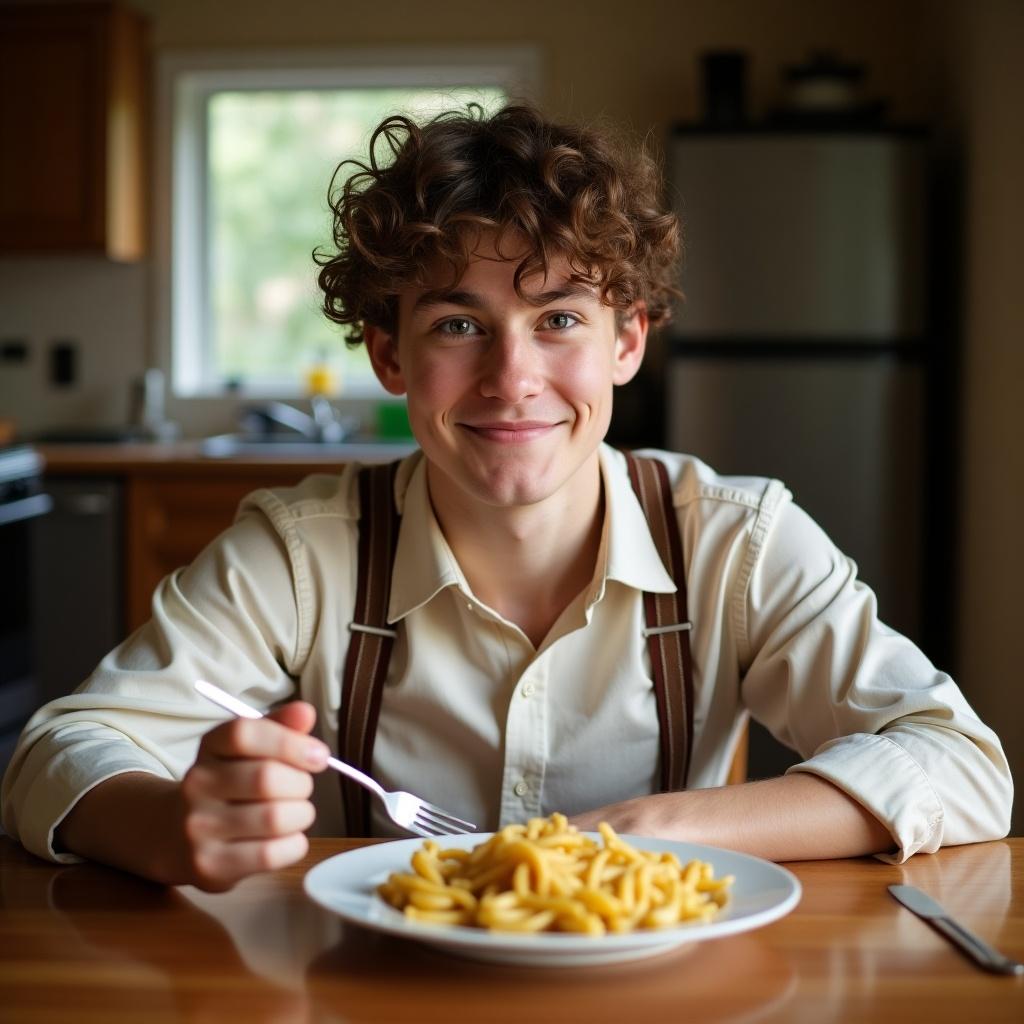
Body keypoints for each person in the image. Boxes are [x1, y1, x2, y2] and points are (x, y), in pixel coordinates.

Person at [1, 104, 1011, 891]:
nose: (511, 378)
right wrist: (170, 827)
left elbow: (960, 763)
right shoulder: (300, 552)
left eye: (558, 317)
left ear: (627, 343)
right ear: (389, 354)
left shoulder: (735, 541)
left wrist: (643, 827)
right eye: (455, 325)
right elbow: (55, 751)